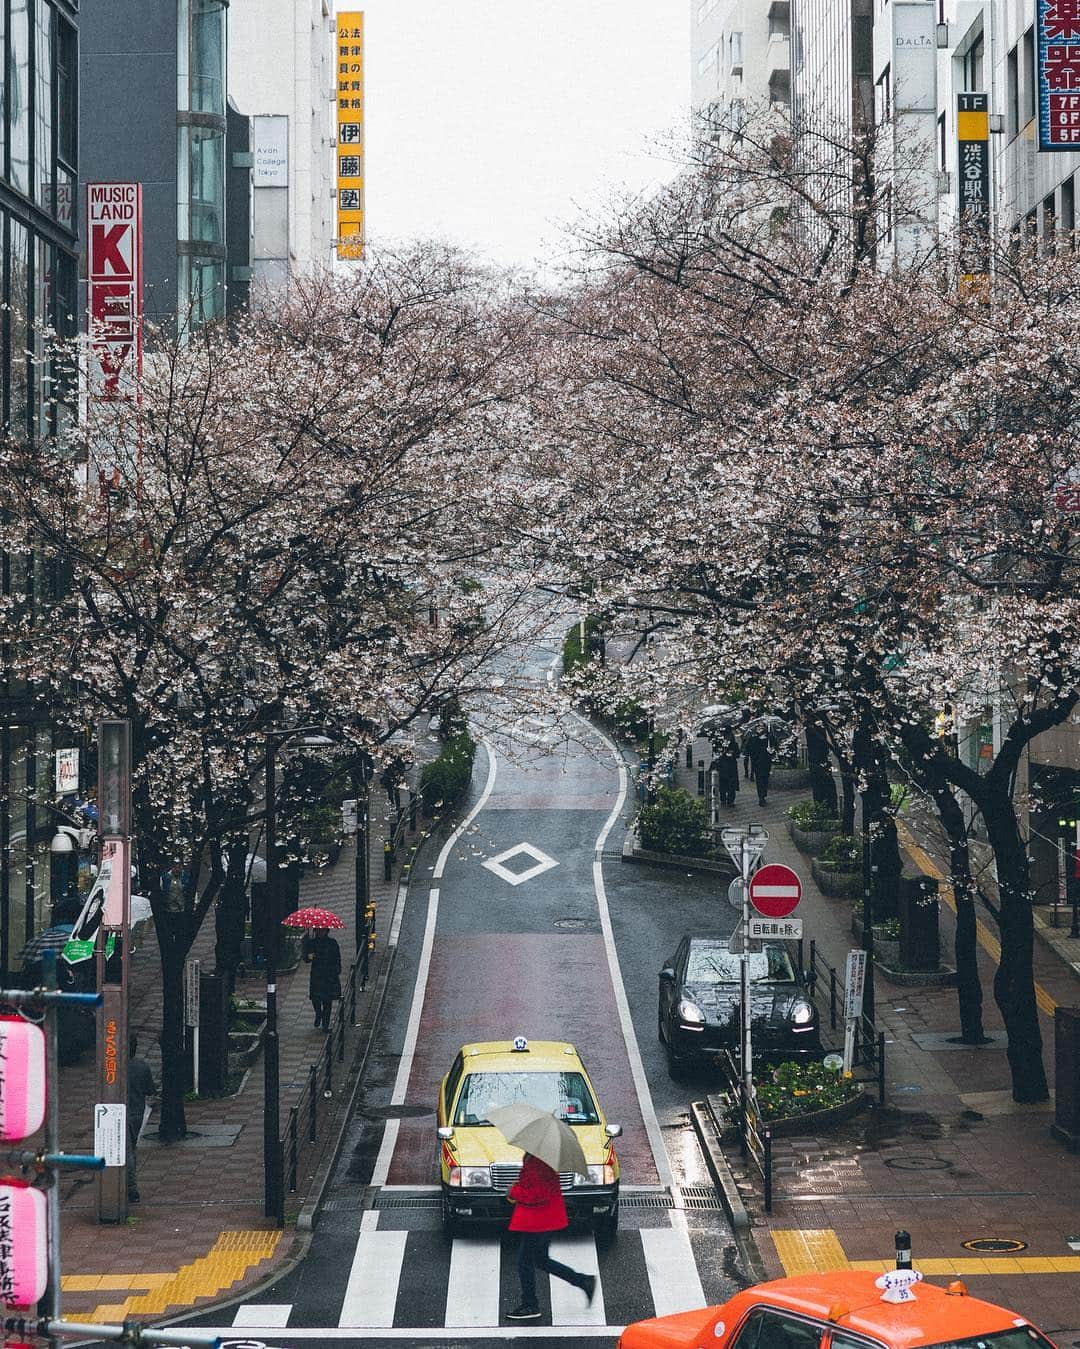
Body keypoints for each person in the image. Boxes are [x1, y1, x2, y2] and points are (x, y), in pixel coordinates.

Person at [506, 1152, 596, 1321]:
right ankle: (583, 1281)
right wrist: (518, 1187)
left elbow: (539, 1193)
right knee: (540, 1260)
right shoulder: (536, 1156)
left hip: (539, 1219)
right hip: (541, 1217)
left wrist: (515, 1191)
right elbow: (534, 1184)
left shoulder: (540, 1159)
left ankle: (530, 1305)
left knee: (524, 1262)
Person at [127, 1034, 158, 1204]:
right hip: (137, 1113)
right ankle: (130, 1186)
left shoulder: (113, 1067)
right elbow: (150, 1091)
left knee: (126, 1151)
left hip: (120, 1112)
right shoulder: (141, 1067)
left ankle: (130, 1188)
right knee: (131, 1148)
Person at [304, 928, 341, 1030]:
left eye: (323, 930)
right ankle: (318, 1014)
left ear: (327, 931)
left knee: (327, 1001)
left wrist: (336, 971)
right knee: (315, 998)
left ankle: (325, 1024)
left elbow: (337, 958)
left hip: (328, 975)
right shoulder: (312, 943)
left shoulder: (332, 943)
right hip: (317, 975)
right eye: (318, 930)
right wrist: (309, 956)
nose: (320, 932)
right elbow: (305, 958)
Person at [744, 732, 773, 807]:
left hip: (767, 761)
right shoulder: (753, 738)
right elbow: (748, 748)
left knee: (765, 778)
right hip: (757, 762)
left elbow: (774, 746)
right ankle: (761, 797)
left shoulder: (769, 737)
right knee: (759, 779)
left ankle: (764, 794)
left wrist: (771, 750)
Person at [714, 732, 740, 808]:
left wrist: (732, 754)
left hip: (731, 767)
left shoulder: (734, 744)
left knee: (732, 783)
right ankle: (723, 798)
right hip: (722, 766)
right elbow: (715, 753)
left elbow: (737, 754)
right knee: (722, 783)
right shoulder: (719, 743)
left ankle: (730, 800)